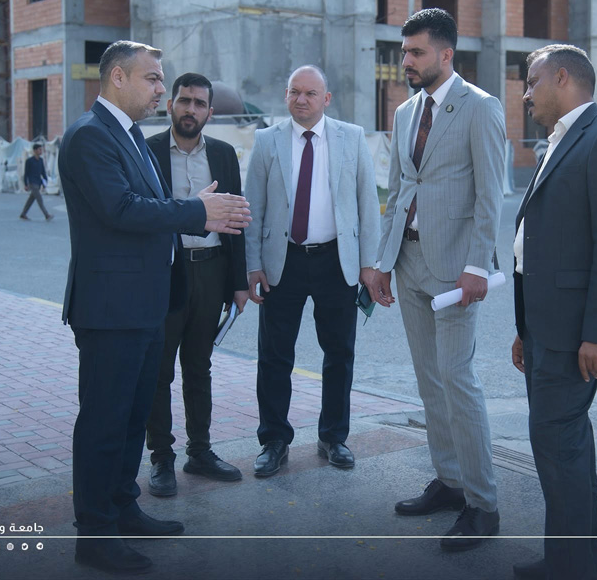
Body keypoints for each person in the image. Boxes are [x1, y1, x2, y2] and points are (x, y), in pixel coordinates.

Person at [59, 40, 250, 574]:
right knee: (103, 423)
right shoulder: (90, 135)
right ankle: (95, 533)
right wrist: (197, 211)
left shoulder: (128, 135)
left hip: (146, 304)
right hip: (111, 310)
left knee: (129, 421)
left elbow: (152, 206)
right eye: (153, 79)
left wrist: (195, 210)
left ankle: (123, 508)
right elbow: (122, 209)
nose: (161, 89)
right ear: (118, 77)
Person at [371, 8, 505, 551]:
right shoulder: (405, 112)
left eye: (416, 52)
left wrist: (478, 265)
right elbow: (399, 189)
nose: (406, 60)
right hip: (407, 262)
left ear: (446, 54)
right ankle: (449, 482)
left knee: (457, 379)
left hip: (455, 270)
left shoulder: (481, 107)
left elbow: (491, 194)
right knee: (429, 380)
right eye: (404, 51)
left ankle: (483, 503)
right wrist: (383, 261)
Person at [511, 44, 597, 580]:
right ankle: (572, 561)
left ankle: (573, 566)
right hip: (544, 328)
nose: (526, 94)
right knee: (562, 447)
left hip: (575, 333)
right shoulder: (557, 142)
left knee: (557, 444)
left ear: (562, 77)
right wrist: (524, 328)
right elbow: (539, 242)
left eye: (532, 81)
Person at [244, 65, 380, 478]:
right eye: (294, 92)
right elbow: (253, 209)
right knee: (274, 355)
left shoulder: (351, 137)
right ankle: (273, 440)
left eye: (310, 93)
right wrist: (253, 265)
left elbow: (367, 204)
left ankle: (333, 437)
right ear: (286, 96)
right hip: (281, 261)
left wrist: (368, 265)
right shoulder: (267, 140)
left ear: (326, 99)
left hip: (336, 260)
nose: (301, 99)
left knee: (339, 353)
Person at [143, 73, 247, 496]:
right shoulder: (147, 150)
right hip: (166, 272)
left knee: (199, 367)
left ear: (210, 111)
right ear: (170, 105)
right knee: (158, 370)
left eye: (199, 103)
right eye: (184, 101)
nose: (191, 109)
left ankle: (199, 452)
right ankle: (161, 458)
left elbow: (236, 220)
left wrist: (238, 283)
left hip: (211, 270)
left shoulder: (223, 154)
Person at [20, 143, 53, 221]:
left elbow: (43, 172)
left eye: (41, 149)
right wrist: (25, 184)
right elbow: (26, 173)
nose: (41, 151)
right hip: (32, 183)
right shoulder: (29, 161)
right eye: (39, 149)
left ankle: (23, 214)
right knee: (39, 199)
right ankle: (46, 215)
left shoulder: (41, 160)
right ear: (35, 150)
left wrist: (45, 181)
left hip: (38, 182)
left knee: (31, 200)